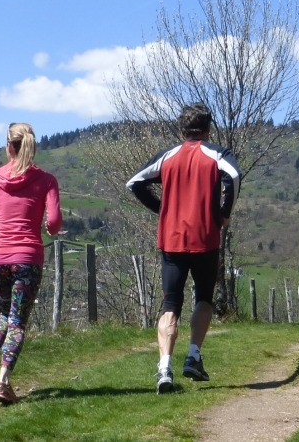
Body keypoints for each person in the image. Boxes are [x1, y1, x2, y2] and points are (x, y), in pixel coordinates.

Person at [126, 103, 240, 394]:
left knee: (170, 304)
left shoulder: (168, 156)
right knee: (203, 297)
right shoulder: (217, 154)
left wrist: (162, 209)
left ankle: (164, 369)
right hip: (205, 238)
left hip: (172, 239)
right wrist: (224, 212)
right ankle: (193, 355)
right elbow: (234, 177)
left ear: (182, 128)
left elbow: (135, 182)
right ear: (208, 127)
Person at [0, 122, 62, 404]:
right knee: (18, 322)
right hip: (27, 258)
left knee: (2, 313)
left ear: (8, 146)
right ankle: (3, 382)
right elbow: (55, 223)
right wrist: (46, 226)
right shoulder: (46, 180)